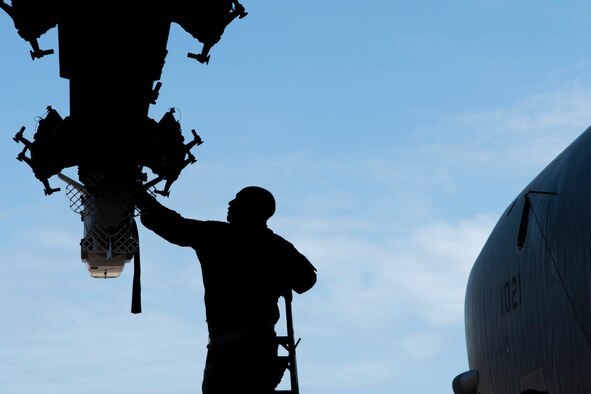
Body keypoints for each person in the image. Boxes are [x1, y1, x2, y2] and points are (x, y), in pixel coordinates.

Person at [136, 185, 317, 394]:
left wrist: (140, 197)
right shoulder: (277, 246)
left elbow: (174, 226)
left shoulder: (217, 236)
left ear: (252, 209)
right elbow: (306, 280)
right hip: (258, 350)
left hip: (231, 353)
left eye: (238, 200)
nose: (230, 204)